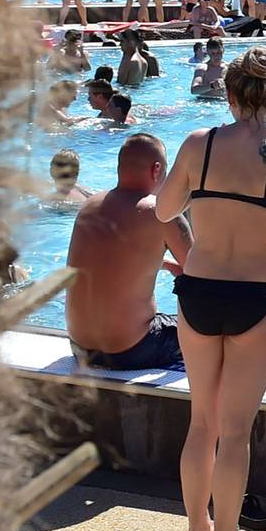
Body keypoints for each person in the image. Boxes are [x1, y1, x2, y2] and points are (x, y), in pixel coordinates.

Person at [155, 50, 266, 531]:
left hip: (199, 291)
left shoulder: (197, 145)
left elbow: (163, 210)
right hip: (255, 296)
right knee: (235, 429)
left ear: (228, 95)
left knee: (201, 423)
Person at [63, 133, 193, 372]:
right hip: (130, 350)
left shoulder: (88, 206)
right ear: (156, 170)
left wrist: (164, 263)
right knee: (210, 335)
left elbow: (108, 261)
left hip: (79, 347)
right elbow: (199, 271)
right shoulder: (160, 212)